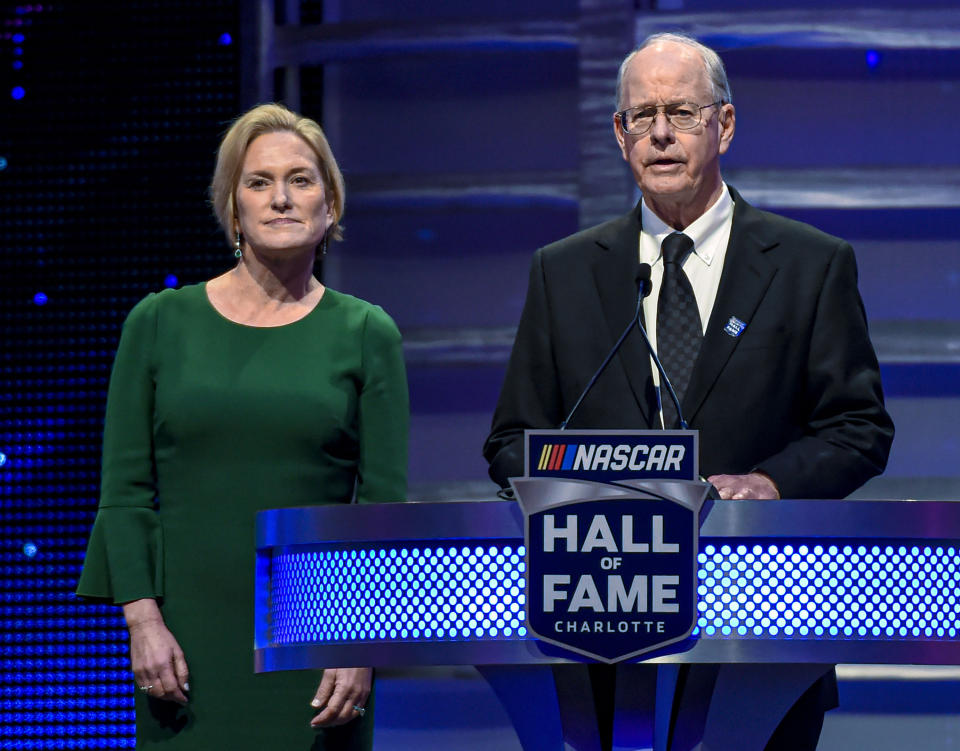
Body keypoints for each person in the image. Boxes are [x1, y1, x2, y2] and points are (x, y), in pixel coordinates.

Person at [484, 33, 894, 750]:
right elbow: (512, 438)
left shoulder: (809, 264)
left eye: (681, 112)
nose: (661, 133)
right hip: (595, 633)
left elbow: (858, 427)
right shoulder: (564, 272)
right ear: (618, 135)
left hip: (762, 625)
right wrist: (595, 489)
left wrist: (769, 480)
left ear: (724, 125)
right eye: (641, 116)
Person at [76, 103, 409, 749]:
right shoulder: (158, 323)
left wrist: (360, 641)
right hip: (183, 647)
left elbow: (382, 505)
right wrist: (142, 620)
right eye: (258, 182)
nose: (281, 198)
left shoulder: (367, 332)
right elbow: (122, 490)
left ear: (330, 205)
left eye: (301, 179)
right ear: (233, 208)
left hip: (318, 643)